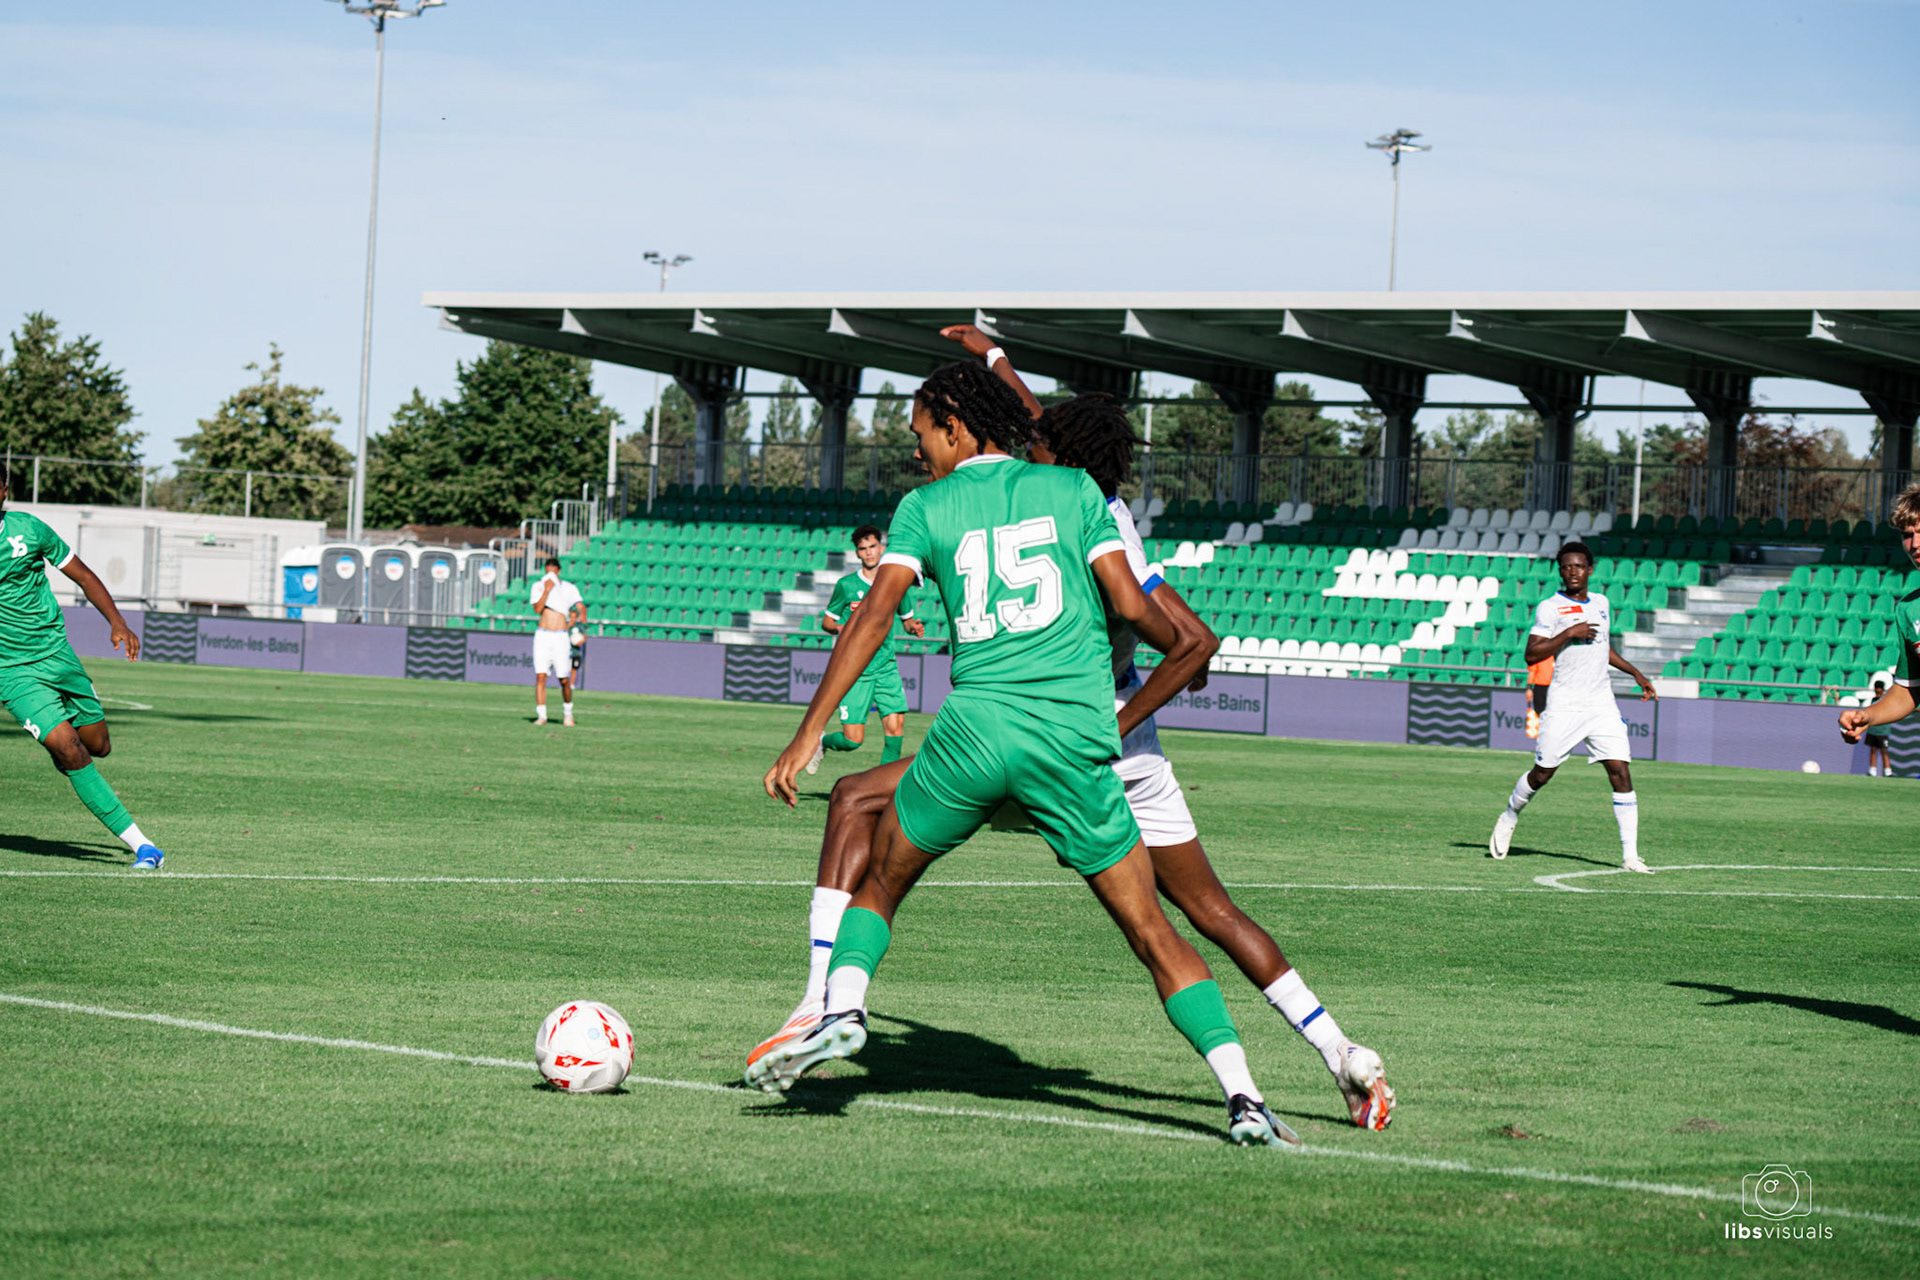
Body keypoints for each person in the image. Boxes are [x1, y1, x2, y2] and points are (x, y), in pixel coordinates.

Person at [747, 360, 1394, 1130]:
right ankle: (1307, 1065)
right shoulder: (1085, 499)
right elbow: (1174, 629)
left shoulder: (951, 503)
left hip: (1017, 731)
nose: (1033, 443)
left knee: (862, 819)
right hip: (1101, 747)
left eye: (923, 433)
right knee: (1193, 916)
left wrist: (807, 732)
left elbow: (885, 607)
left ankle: (828, 1003)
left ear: (959, 429)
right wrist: (993, 358)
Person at [0, 469, 164, 867]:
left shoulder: (29, 529)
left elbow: (84, 576)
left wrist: (117, 622)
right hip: (12, 671)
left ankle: (66, 751)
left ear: (3, 491)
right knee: (71, 751)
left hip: (58, 655)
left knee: (97, 746)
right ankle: (145, 847)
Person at [1490, 540, 1658, 871]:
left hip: (1601, 703)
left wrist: (1635, 673)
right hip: (1565, 703)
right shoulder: (1550, 608)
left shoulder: (1602, 603)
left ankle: (1629, 856)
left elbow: (1603, 648)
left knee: (1620, 771)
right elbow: (1531, 655)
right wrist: (1568, 633)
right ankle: (1510, 815)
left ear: (1590, 569)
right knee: (1542, 774)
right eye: (1566, 567)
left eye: (1579, 566)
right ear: (1560, 572)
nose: (1573, 572)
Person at [805, 524, 926, 772]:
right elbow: (827, 622)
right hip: (854, 670)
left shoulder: (895, 581)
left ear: (881, 548)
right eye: (863, 549)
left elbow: (906, 621)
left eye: (872, 547)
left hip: (886, 666)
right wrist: (842, 629)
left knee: (895, 730)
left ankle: (883, 788)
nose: (869, 552)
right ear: (857, 553)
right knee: (852, 740)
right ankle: (822, 742)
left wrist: (913, 627)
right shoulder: (846, 585)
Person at [1839, 482, 1920, 754]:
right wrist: (1868, 715)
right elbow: (1909, 689)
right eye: (1907, 535)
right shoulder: (1909, 610)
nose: (1915, 544)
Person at [530, 557, 586, 726]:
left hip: (560, 636)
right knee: (541, 676)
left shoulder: (569, 588)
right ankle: (542, 715)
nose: (550, 576)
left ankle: (568, 712)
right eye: (548, 572)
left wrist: (582, 616)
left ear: (559, 572)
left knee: (563, 678)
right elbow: (538, 609)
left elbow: (580, 606)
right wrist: (547, 590)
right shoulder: (539, 586)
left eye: (553, 573)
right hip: (543, 635)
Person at [1865, 680, 1893, 777]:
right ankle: (1872, 771)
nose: (1878, 694)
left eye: (1879, 692)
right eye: (1876, 692)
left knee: (1884, 751)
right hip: (1873, 730)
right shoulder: (1873, 701)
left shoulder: (1886, 701)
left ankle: (1888, 772)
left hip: (1883, 731)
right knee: (1873, 750)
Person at [1525, 654, 1553, 738]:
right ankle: (1542, 736)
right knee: (1540, 713)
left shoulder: (1555, 655)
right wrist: (1529, 688)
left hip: (1553, 687)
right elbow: (1532, 671)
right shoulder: (1539, 656)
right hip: (1540, 687)